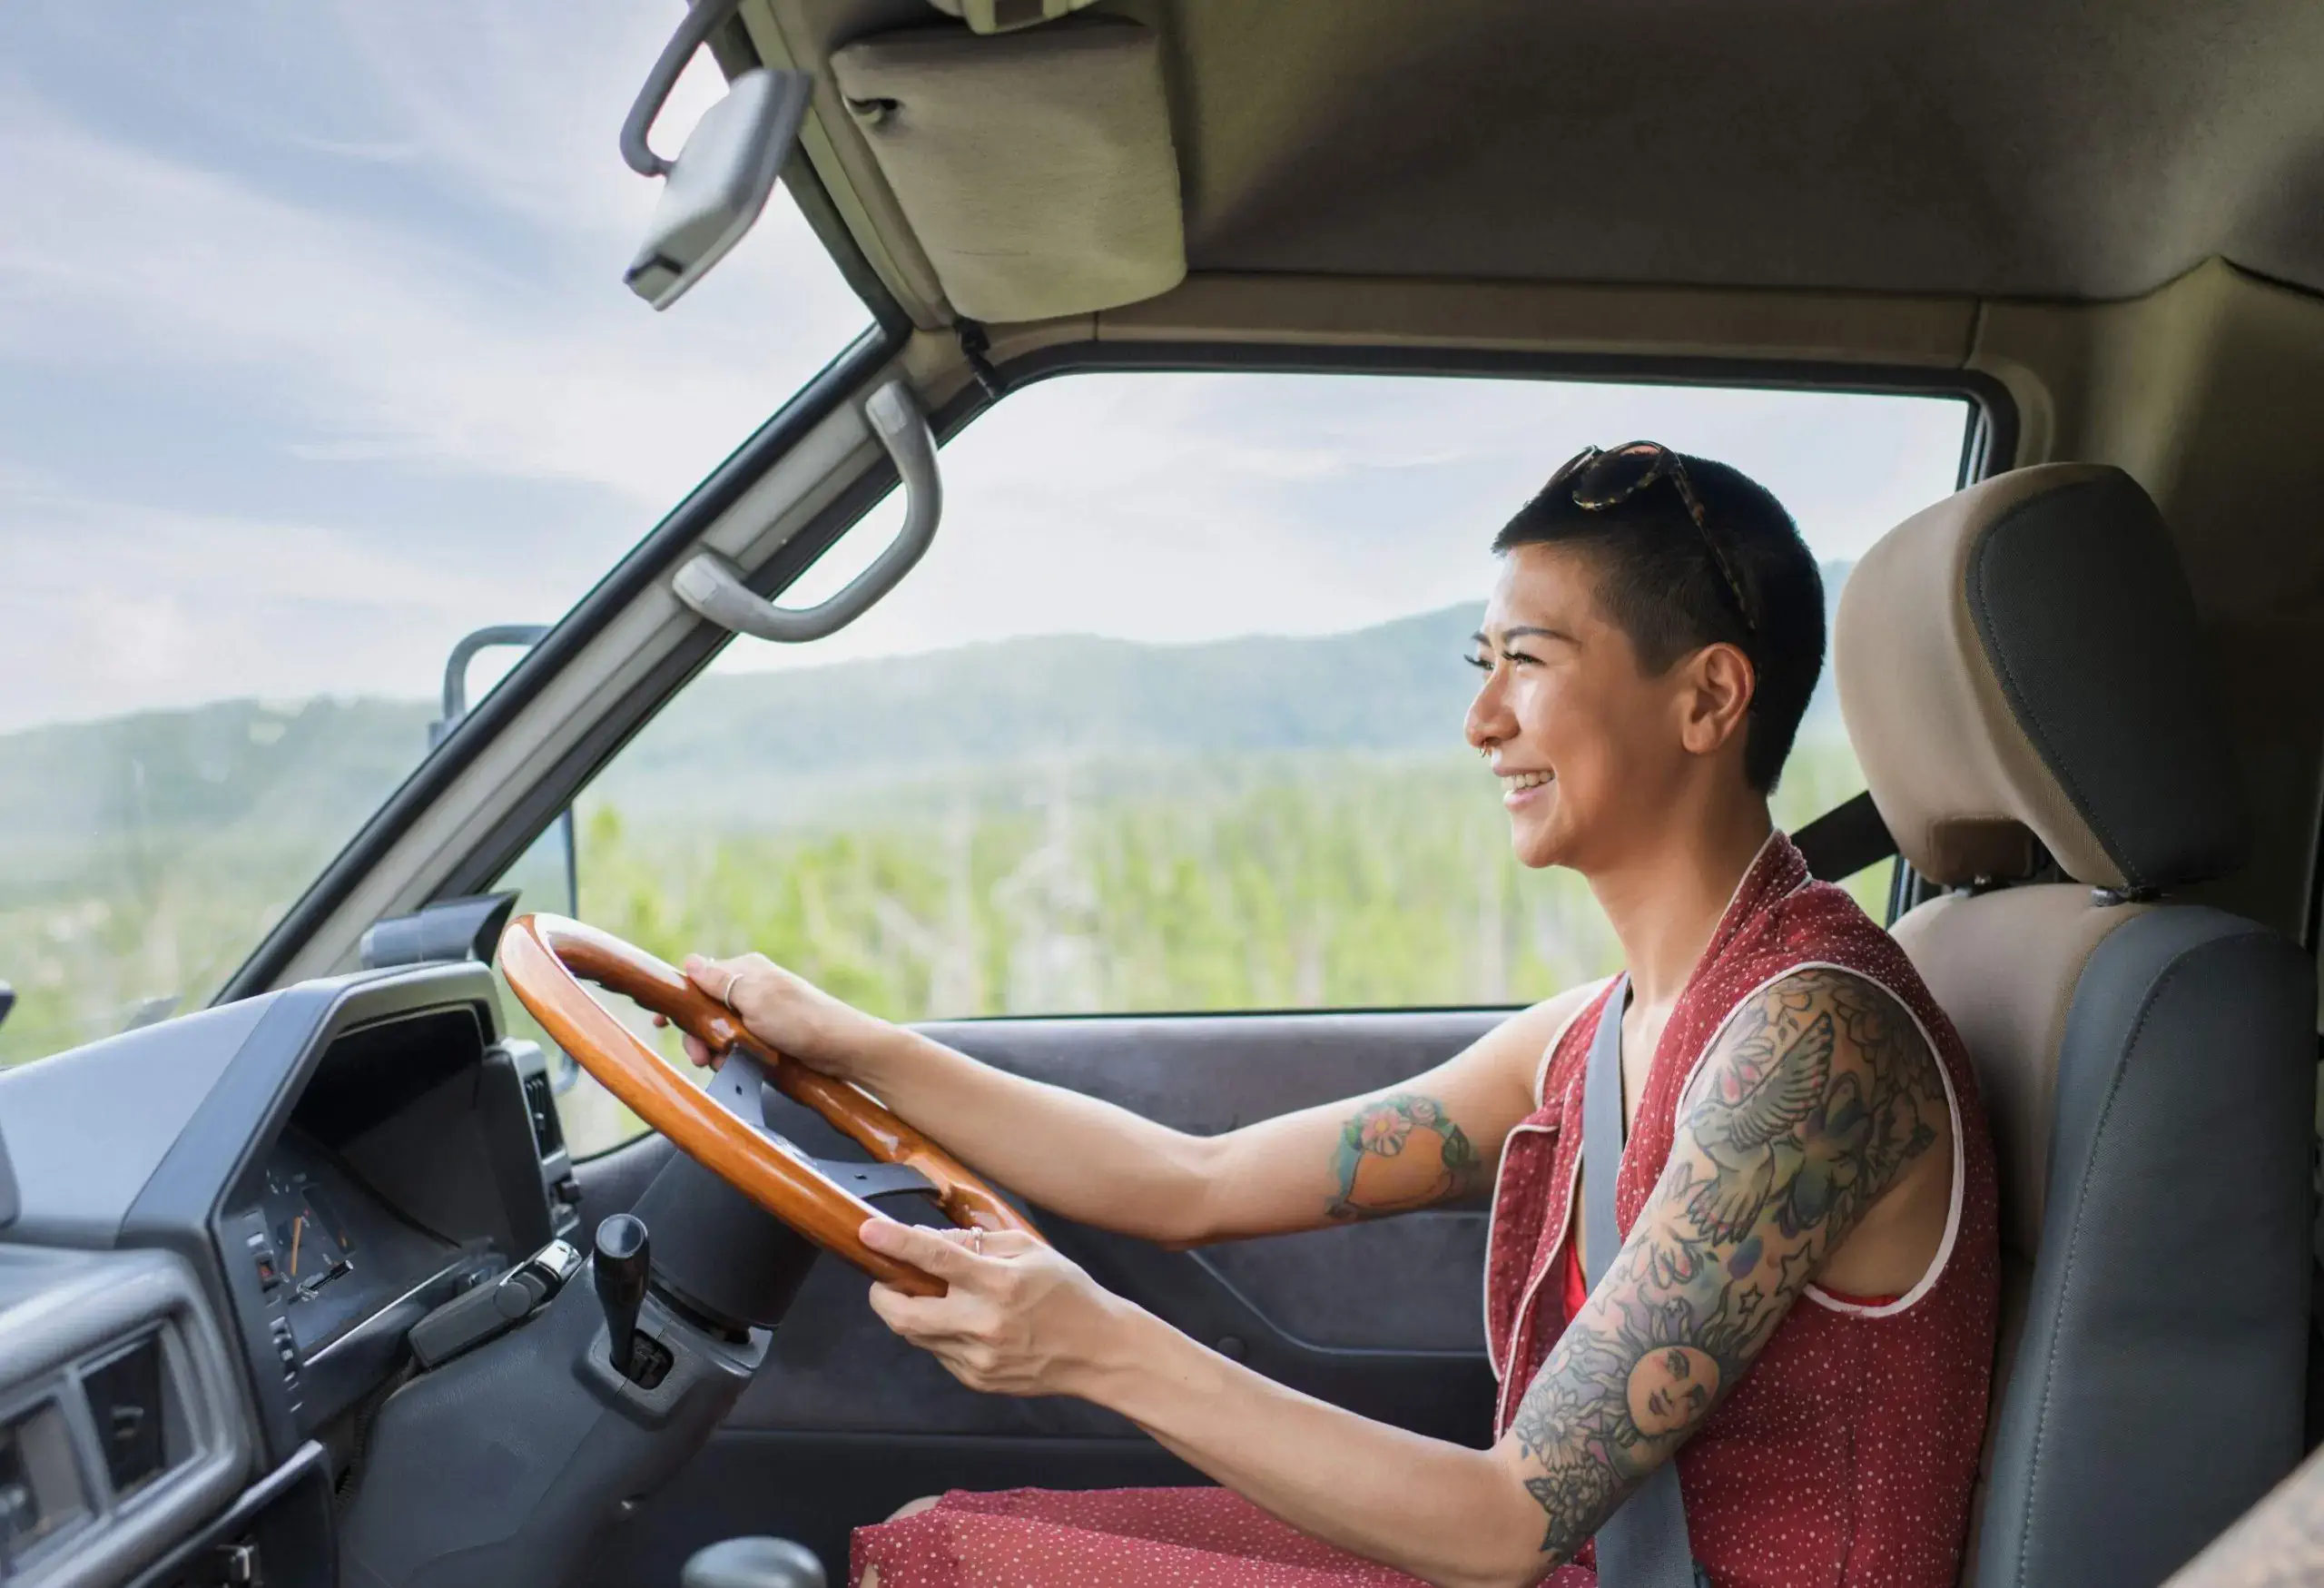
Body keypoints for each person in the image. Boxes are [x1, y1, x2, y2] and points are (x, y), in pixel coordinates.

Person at [673, 444, 2000, 1588]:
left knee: (953, 1567)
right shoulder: (1598, 1034)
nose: (1481, 719)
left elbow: (1511, 1521)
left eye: (1527, 663)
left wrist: (1097, 1347)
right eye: (1482, 663)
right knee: (949, 1533)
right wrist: (852, 1044)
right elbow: (1191, 1182)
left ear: (1708, 697)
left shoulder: (1812, 1042)